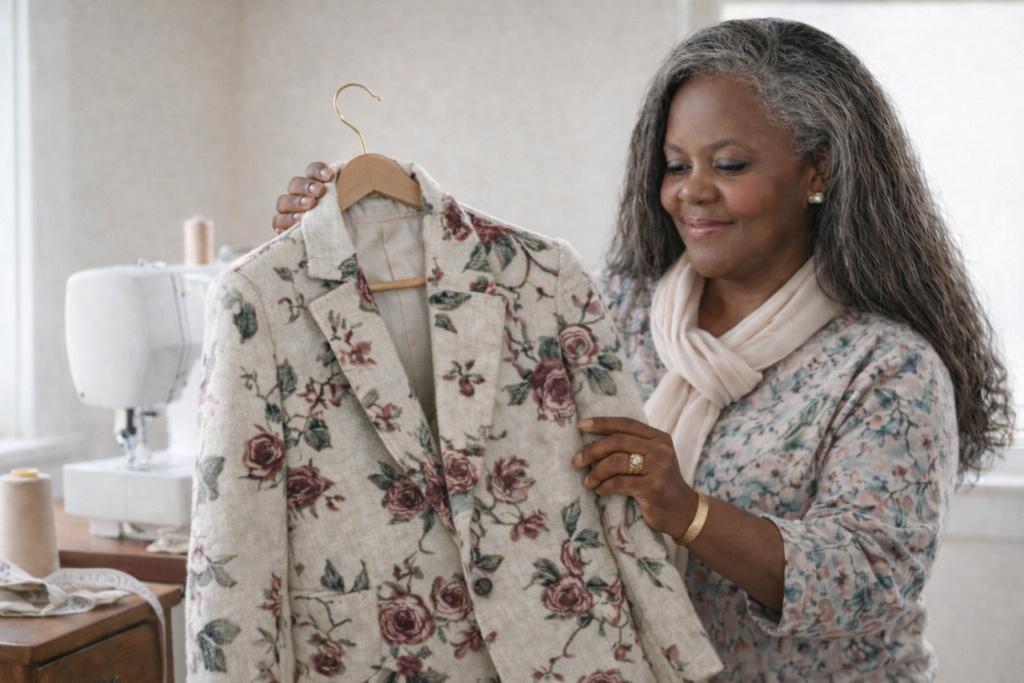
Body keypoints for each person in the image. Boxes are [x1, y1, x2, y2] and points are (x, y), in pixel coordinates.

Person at [271, 18, 1014, 682]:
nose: (691, 192)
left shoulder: (887, 367)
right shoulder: (612, 308)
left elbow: (868, 576)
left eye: (728, 165)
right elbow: (456, 396)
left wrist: (687, 511)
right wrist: (347, 258)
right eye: (676, 164)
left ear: (817, 169)